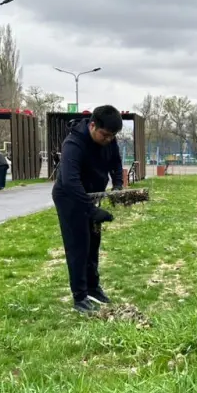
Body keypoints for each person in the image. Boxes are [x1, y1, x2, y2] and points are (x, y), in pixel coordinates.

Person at [52, 105, 124, 313]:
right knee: (78, 246)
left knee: (93, 244)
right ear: (92, 125)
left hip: (92, 196)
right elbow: (70, 181)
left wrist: (118, 186)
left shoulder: (109, 138)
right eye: (105, 135)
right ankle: (80, 297)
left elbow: (116, 163)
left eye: (113, 136)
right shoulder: (73, 144)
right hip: (69, 198)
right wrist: (91, 211)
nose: (109, 139)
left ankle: (93, 287)